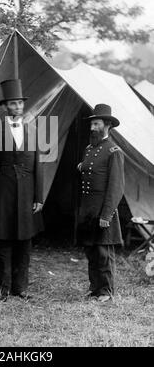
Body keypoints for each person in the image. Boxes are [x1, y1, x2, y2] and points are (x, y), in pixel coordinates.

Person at [0, 79, 44, 301]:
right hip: (5, 193)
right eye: (13, 103)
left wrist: (39, 196)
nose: (18, 107)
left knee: (25, 243)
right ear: (4, 107)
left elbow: (39, 165)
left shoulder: (33, 130)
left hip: (28, 193)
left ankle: (21, 288)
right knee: (5, 242)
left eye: (20, 103)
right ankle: (3, 289)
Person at [77, 103, 124, 303]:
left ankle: (106, 291)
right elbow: (91, 170)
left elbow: (116, 187)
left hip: (103, 208)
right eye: (91, 124)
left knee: (104, 252)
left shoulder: (114, 151)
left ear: (107, 126)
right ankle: (94, 287)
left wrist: (107, 215)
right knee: (91, 250)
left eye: (96, 124)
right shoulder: (89, 149)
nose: (92, 128)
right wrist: (82, 166)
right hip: (88, 208)